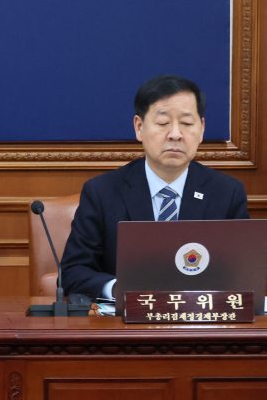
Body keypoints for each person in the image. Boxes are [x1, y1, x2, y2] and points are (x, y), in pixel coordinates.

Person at [60, 75, 249, 300]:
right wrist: (117, 288)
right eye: (162, 123)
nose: (175, 134)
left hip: (199, 317)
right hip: (127, 319)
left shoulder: (226, 193)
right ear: (139, 128)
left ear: (201, 129)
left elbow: (243, 273)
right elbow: (73, 271)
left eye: (187, 123)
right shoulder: (102, 192)